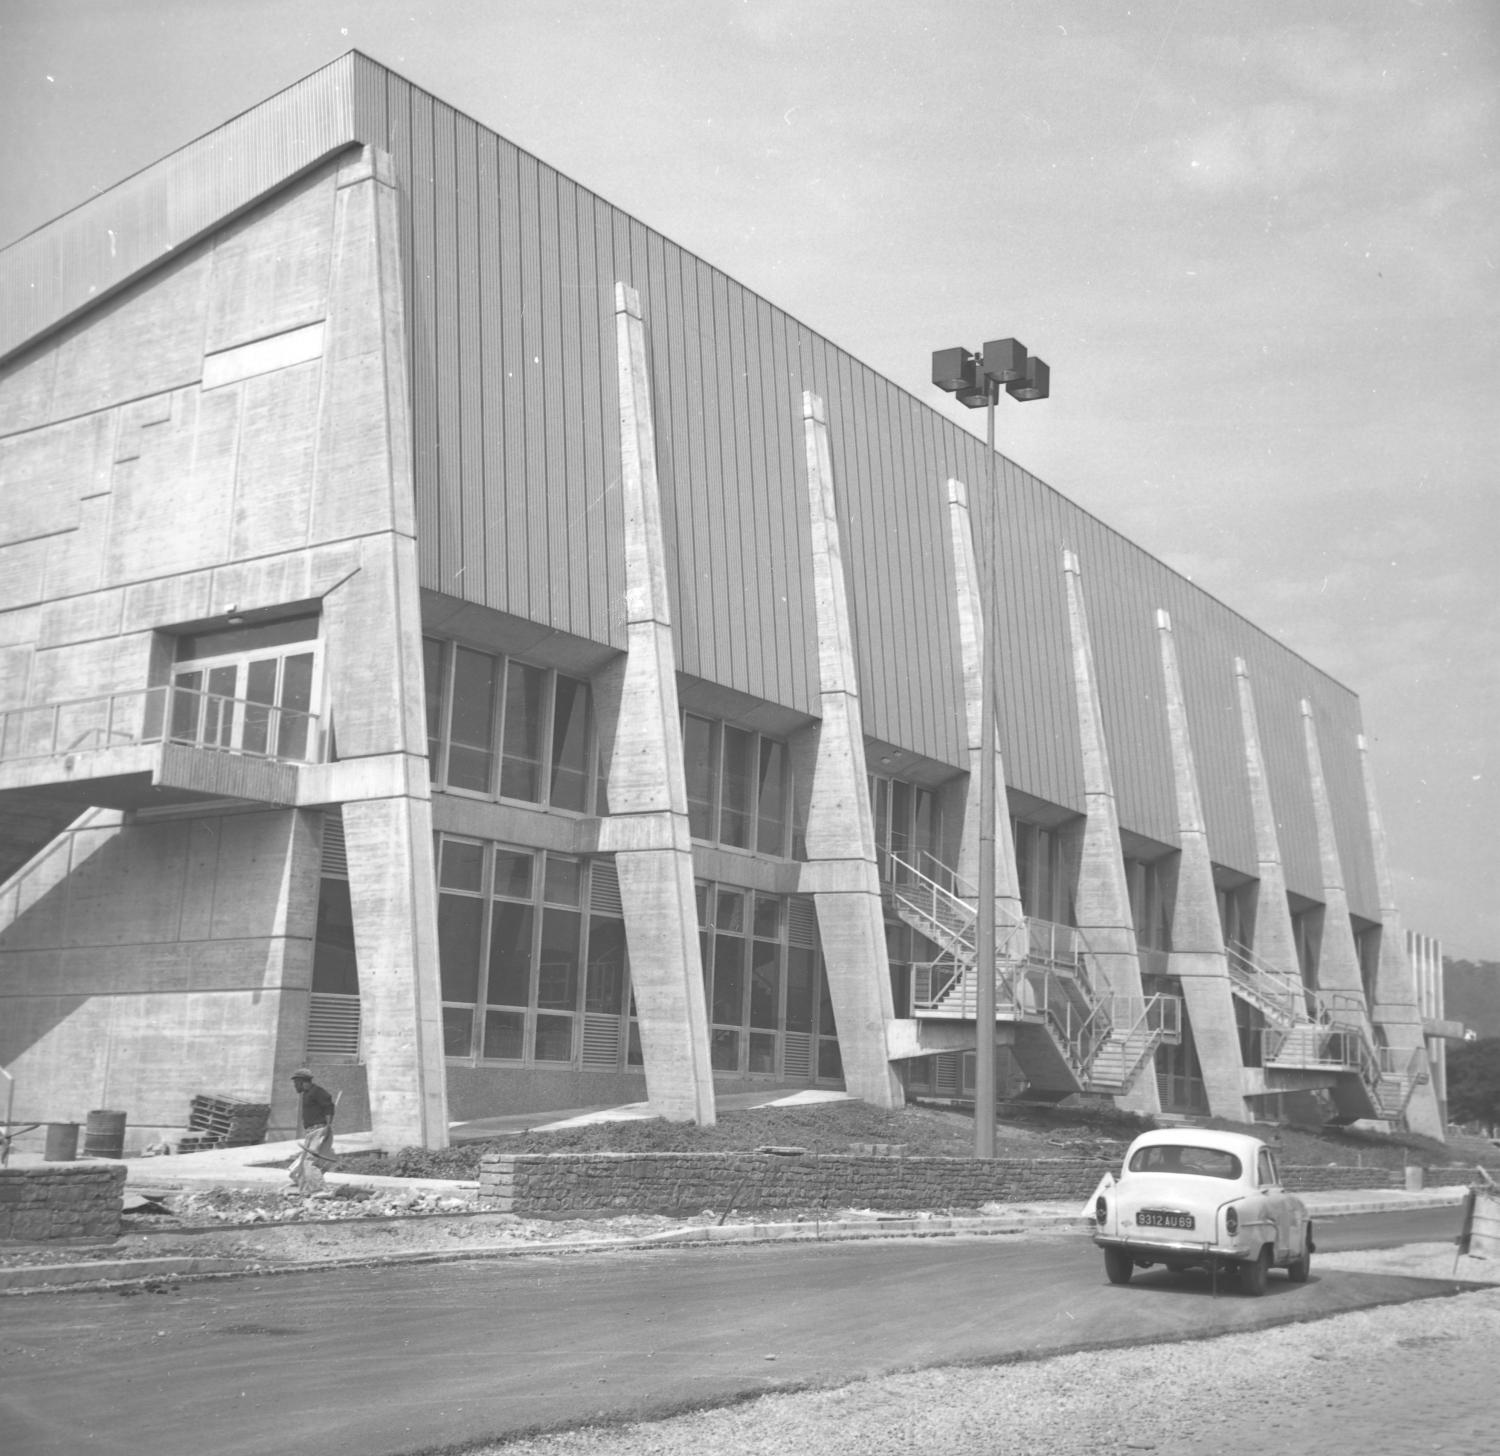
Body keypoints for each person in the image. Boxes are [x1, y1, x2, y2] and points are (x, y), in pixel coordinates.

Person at [289, 1067, 336, 1191]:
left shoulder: (317, 1092)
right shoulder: (307, 1094)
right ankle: (306, 1189)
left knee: (309, 1162)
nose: (295, 1086)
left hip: (318, 1130)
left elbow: (329, 1107)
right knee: (302, 1164)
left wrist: (328, 1126)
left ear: (302, 1082)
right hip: (311, 1131)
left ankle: (320, 1190)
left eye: (296, 1083)